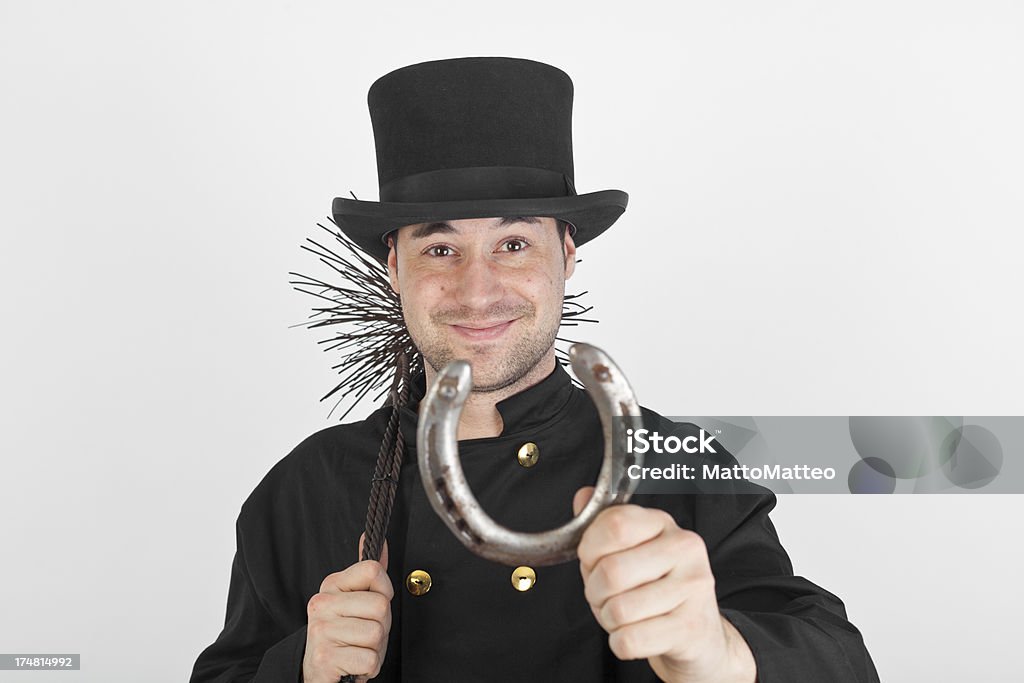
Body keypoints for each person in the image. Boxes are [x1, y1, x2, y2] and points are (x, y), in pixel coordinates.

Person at [190, 57, 880, 682]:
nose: (477, 289)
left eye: (514, 242)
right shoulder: (302, 491)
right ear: (394, 267)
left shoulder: (681, 468)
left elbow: (843, 661)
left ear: (568, 253)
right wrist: (298, 668)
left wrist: (720, 652)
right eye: (439, 249)